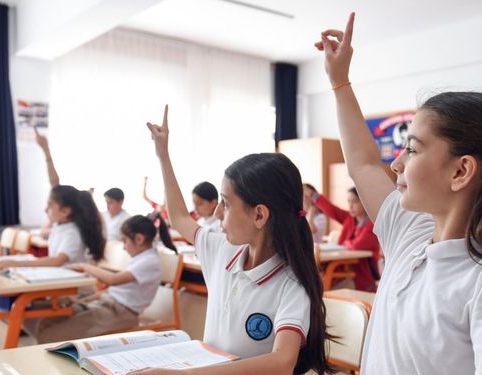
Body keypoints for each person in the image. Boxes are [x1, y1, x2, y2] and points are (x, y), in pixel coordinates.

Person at [314, 13, 482, 374]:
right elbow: (364, 164)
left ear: (460, 171)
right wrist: (339, 83)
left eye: (413, 149)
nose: (397, 165)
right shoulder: (410, 231)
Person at [131, 105, 333, 374]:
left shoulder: (291, 283)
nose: (216, 213)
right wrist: (163, 156)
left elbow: (282, 362)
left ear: (259, 215)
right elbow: (179, 217)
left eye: (225, 203)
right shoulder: (222, 250)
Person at [26, 215, 162, 343]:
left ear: (139, 239)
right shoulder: (142, 258)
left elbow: (113, 280)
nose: (124, 247)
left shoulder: (149, 261)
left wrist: (84, 266)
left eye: (125, 241)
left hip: (121, 314)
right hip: (107, 304)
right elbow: (115, 288)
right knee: (48, 322)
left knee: (51, 334)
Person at [0, 131, 105, 269]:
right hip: (60, 283)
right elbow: (55, 184)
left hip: (74, 288)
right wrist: (45, 150)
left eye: (50, 205)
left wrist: (18, 263)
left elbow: (57, 261)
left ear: (65, 211)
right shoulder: (61, 225)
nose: (46, 209)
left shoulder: (72, 232)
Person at [304, 185, 380, 291]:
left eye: (355, 202)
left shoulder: (372, 224)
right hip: (343, 273)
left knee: (323, 286)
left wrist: (345, 243)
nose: (351, 206)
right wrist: (312, 195)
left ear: (365, 202)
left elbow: (357, 245)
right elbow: (332, 210)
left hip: (362, 278)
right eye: (349, 201)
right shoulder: (350, 218)